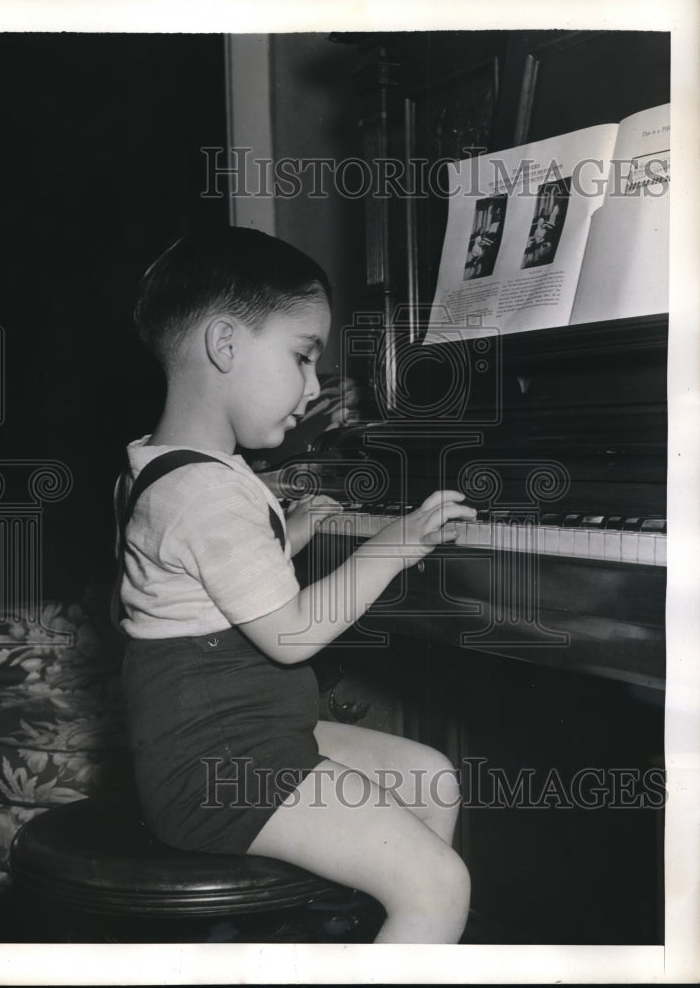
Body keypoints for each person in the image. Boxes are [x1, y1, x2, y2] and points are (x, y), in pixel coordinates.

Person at [117, 226, 476, 944]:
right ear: (224, 346)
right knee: (439, 886)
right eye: (302, 356)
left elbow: (199, 578)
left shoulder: (167, 466)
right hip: (216, 769)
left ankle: (346, 934)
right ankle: (400, 917)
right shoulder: (204, 495)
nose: (313, 387)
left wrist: (288, 534)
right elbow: (289, 636)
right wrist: (394, 543)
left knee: (429, 776)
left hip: (237, 738)